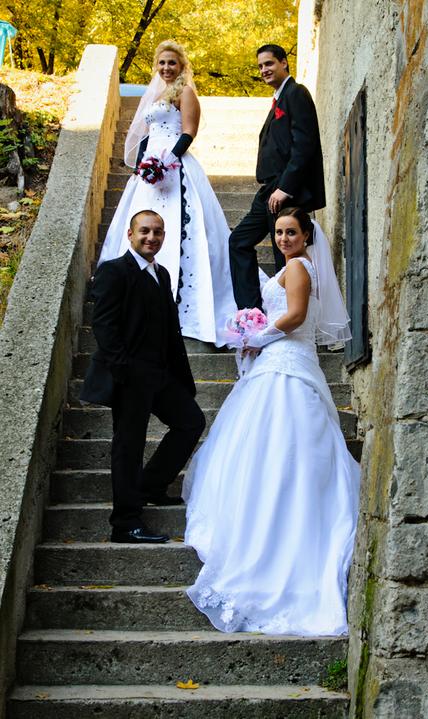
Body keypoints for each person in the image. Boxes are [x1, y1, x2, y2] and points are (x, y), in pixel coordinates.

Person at [183, 207, 360, 635]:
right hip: (283, 360)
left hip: (288, 363)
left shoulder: (298, 267)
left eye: (291, 232)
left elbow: (295, 316)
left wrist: (258, 336)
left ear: (306, 236)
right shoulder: (293, 266)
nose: (283, 239)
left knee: (283, 447)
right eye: (279, 232)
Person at [98, 40, 236, 347]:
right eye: (162, 62)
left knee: (180, 229)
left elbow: (188, 132)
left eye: (172, 62)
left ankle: (179, 301)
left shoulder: (185, 93)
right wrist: (143, 166)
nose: (166, 68)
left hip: (175, 168)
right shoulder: (155, 94)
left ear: (182, 65)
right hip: (150, 172)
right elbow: (147, 135)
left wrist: (166, 162)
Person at [81, 210, 206, 543]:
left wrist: (177, 375)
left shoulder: (161, 273)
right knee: (129, 446)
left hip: (160, 374)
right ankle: (125, 523)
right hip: (129, 375)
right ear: (130, 234)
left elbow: (168, 328)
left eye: (158, 232)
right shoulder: (113, 271)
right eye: (145, 231)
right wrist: (125, 370)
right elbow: (104, 326)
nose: (152, 237)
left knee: (191, 421)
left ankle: (151, 485)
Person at [229, 43, 326, 311]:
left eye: (269, 63)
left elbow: (304, 145)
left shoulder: (296, 93)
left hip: (286, 190)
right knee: (238, 241)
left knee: (284, 253)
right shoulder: (279, 99)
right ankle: (252, 311)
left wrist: (285, 188)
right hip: (269, 190)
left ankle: (290, 313)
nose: (264, 70)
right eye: (260, 66)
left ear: (284, 62)